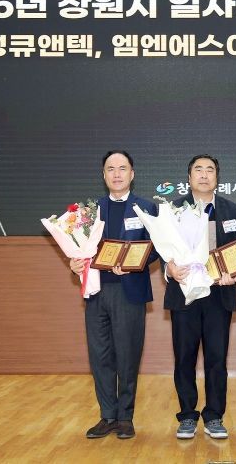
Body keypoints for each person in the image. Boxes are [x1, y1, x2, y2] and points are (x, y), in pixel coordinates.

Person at [70, 150, 158, 440]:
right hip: (96, 291)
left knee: (128, 355)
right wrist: (75, 263)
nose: (117, 174)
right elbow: (79, 248)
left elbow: (157, 248)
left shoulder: (147, 207)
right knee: (100, 355)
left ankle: (125, 417)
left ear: (132, 174)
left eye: (122, 168)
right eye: (111, 168)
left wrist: (134, 262)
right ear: (103, 174)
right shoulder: (90, 211)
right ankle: (107, 415)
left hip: (129, 291)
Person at [164, 155, 236, 440]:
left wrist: (234, 272)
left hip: (218, 295)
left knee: (216, 359)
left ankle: (214, 416)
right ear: (189, 178)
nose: (204, 174)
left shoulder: (231, 209)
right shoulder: (173, 209)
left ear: (217, 178)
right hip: (184, 293)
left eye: (210, 170)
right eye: (198, 170)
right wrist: (169, 269)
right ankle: (187, 415)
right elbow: (164, 249)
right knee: (184, 358)